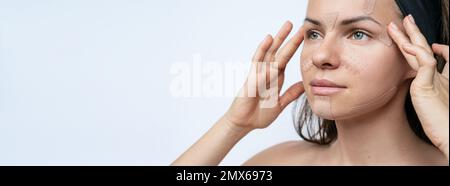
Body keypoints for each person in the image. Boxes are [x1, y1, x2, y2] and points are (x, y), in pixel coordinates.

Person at [172, 0, 449, 165]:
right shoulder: (277, 163)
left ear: (418, 54)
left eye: (359, 34)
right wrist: (233, 126)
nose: (322, 56)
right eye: (314, 33)